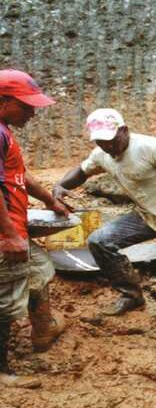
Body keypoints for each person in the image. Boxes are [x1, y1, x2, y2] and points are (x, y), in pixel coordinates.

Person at [53, 108, 156, 316]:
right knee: (99, 241)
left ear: (124, 130)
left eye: (111, 140)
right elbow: (81, 171)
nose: (107, 146)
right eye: (100, 142)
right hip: (145, 216)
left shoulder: (151, 148)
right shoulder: (102, 154)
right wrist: (60, 185)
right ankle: (131, 295)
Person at [0, 69, 69, 385]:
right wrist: (11, 235)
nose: (32, 113)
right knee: (3, 303)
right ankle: (2, 372)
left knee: (39, 270)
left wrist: (49, 200)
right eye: (26, 106)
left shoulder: (4, 133)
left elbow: (18, 175)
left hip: (14, 230)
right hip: (5, 236)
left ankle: (44, 329)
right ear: (3, 102)